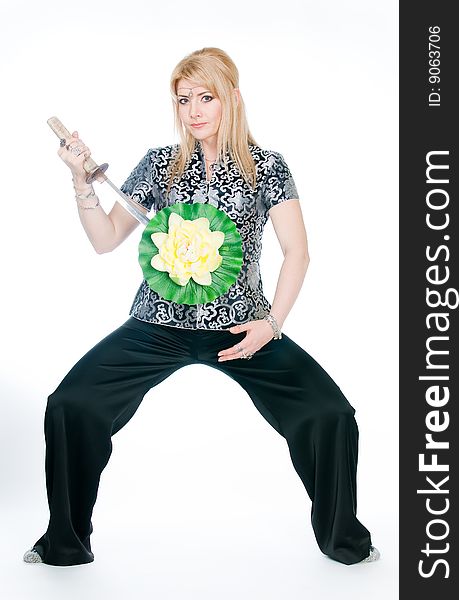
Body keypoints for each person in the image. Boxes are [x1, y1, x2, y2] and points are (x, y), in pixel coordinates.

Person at [23, 47, 379, 567]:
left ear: (232, 97)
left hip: (242, 327)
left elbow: (297, 251)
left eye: (206, 97)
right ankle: (65, 542)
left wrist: (271, 324)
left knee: (330, 414)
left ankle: (343, 539)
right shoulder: (160, 164)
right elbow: (105, 240)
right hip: (155, 326)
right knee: (70, 405)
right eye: (184, 99)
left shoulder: (268, 169)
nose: (193, 110)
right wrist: (81, 180)